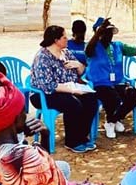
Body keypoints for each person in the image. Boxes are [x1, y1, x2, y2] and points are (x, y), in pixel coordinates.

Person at [30, 25, 98, 153]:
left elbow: (81, 71)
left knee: (91, 98)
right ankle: (72, 141)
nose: (67, 39)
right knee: (72, 103)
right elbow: (47, 85)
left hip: (68, 88)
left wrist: (78, 65)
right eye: (64, 37)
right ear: (56, 40)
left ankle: (81, 136)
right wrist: (73, 90)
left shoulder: (66, 52)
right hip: (44, 95)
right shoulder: (43, 57)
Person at [86, 17, 136, 139]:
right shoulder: (93, 47)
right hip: (101, 84)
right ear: (99, 33)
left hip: (118, 82)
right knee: (113, 98)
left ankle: (113, 121)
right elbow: (88, 51)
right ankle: (112, 120)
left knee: (134, 95)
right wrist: (99, 31)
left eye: (111, 32)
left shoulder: (118, 46)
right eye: (106, 32)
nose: (109, 35)